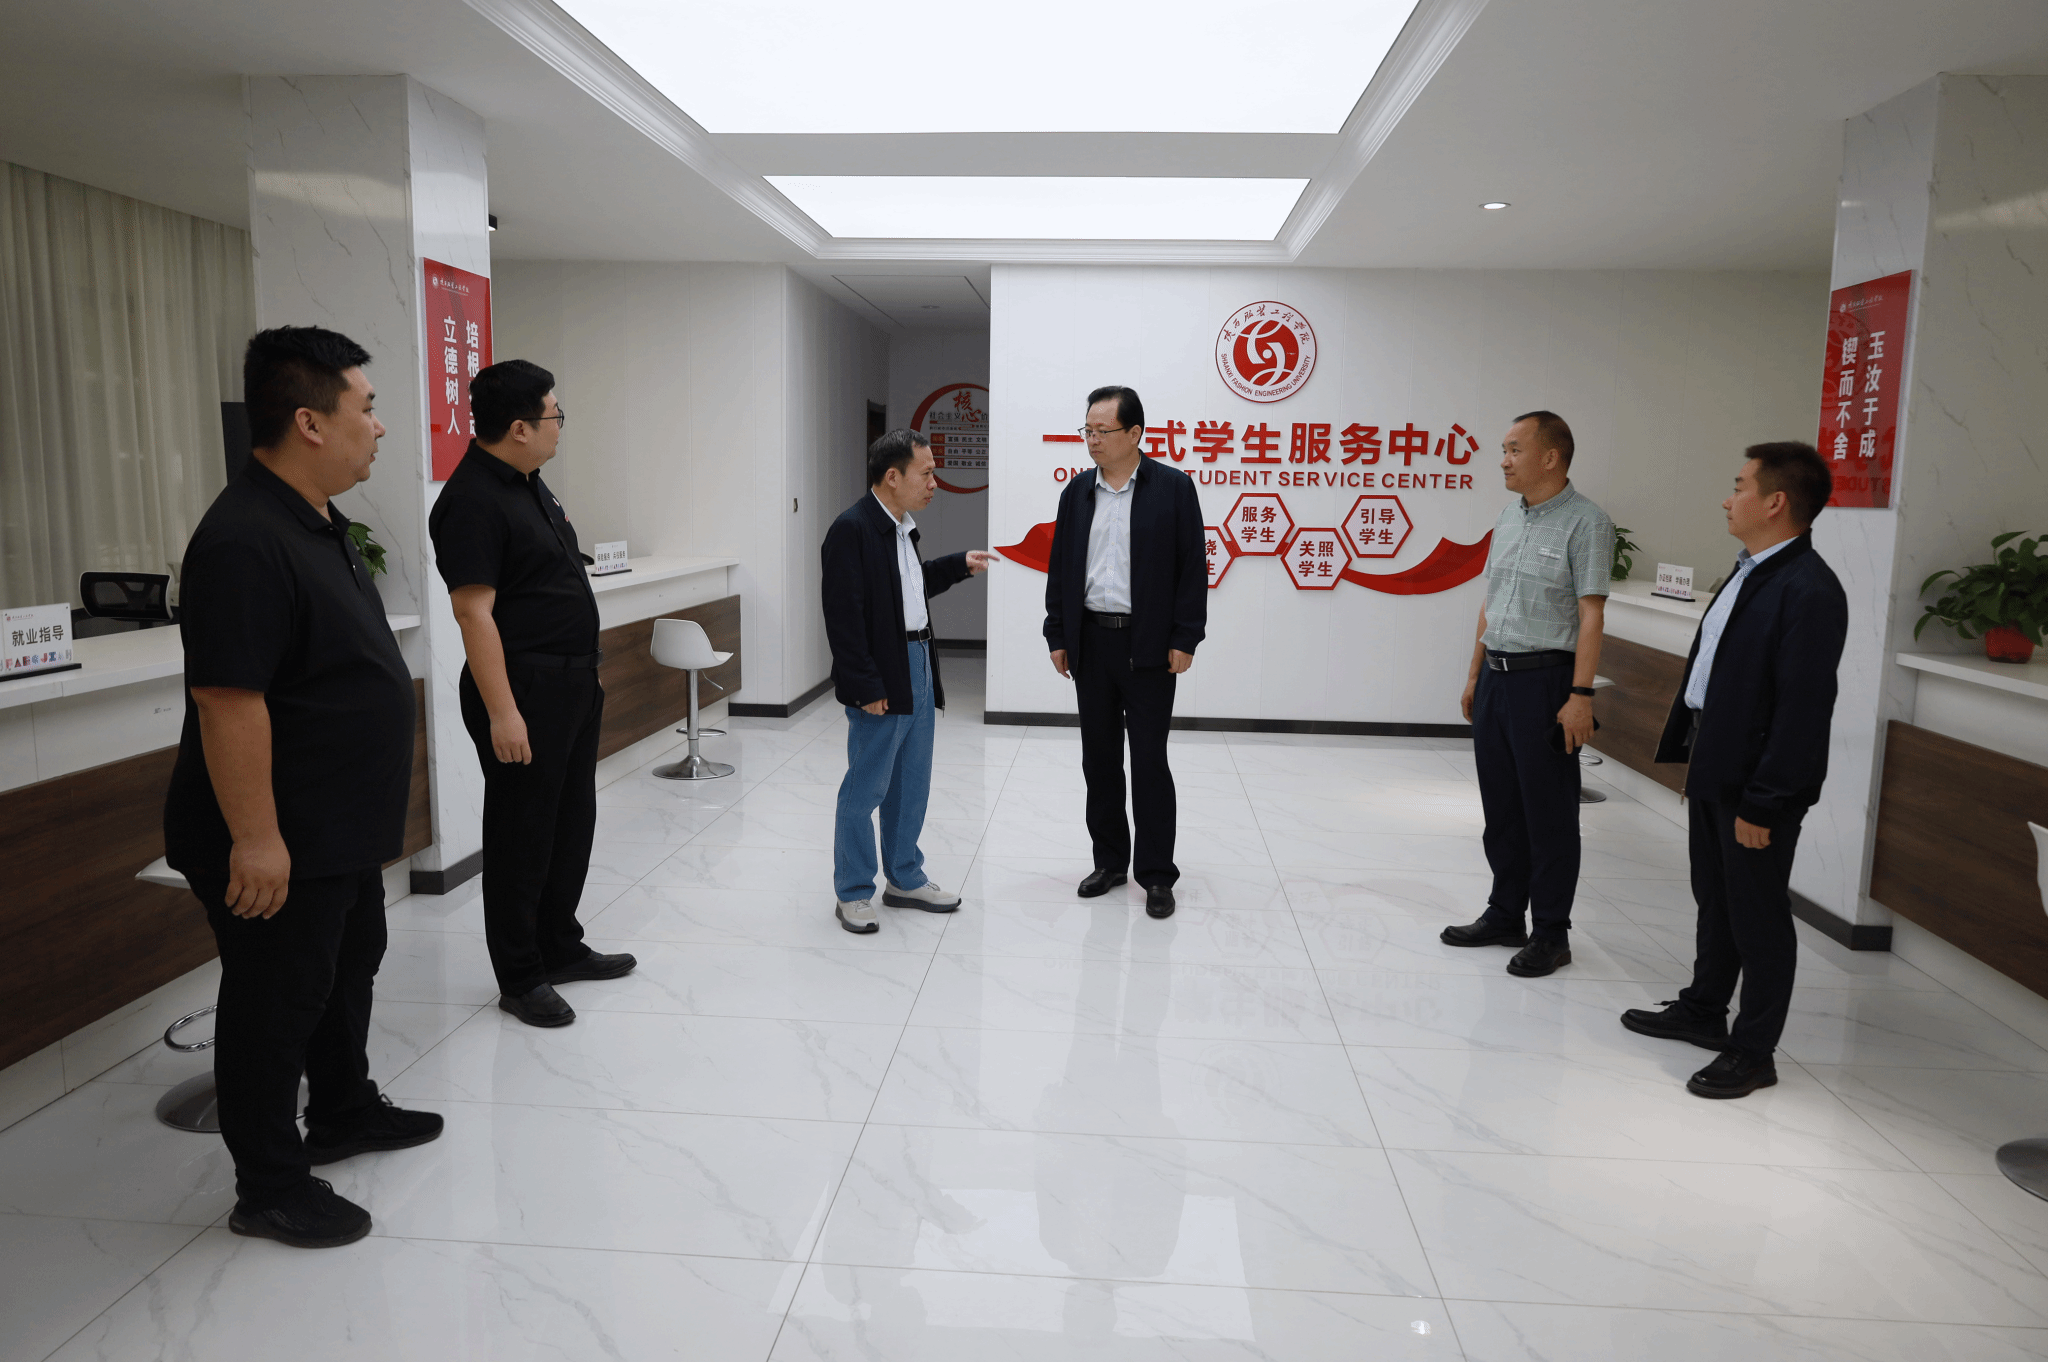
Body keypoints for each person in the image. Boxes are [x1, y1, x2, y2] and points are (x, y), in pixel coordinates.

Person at [163, 325, 442, 1249]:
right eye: (368, 408)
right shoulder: (243, 539)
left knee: (345, 967)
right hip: (277, 833)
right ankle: (270, 1186)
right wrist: (256, 838)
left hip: (334, 828)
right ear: (309, 422)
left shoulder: (316, 521)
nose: (381, 427)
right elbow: (227, 699)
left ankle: (344, 1109)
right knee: (274, 1001)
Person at [1622, 443, 1847, 1098]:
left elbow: (1803, 710)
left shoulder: (1809, 590)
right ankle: (1703, 1009)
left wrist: (1766, 801)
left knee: (1758, 916)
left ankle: (1754, 1052)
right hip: (1717, 761)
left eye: (1740, 486)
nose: (1728, 498)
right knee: (1716, 896)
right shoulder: (1752, 571)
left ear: (1775, 502)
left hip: (1757, 783)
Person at [429, 359, 635, 1028]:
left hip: (570, 683)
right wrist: (503, 712)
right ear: (519, 427)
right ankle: (520, 977)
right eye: (554, 415)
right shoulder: (470, 500)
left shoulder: (530, 485)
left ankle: (559, 947)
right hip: (523, 690)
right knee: (521, 835)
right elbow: (473, 614)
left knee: (570, 824)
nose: (559, 427)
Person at [1441, 410, 1613, 976]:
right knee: (1502, 808)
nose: (1504, 461)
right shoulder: (1507, 518)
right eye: (1504, 449)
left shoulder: (1587, 522)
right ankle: (1504, 913)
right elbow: (1490, 602)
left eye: (1515, 449)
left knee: (1549, 812)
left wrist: (1581, 695)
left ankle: (1552, 933)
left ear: (1550, 457)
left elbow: (1591, 615)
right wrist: (1474, 674)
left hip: (1546, 682)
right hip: (1497, 677)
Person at [1043, 386, 1207, 920]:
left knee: (1149, 761)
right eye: (1087, 430)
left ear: (1135, 433)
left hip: (1151, 645)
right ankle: (1110, 861)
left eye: (1102, 431)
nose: (1092, 440)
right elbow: (1061, 567)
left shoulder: (1173, 488)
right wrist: (1058, 633)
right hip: (1092, 642)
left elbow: (1192, 568)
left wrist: (1185, 637)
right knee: (1099, 759)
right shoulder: (1076, 493)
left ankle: (1156, 874)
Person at [822, 429, 992, 933]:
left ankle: (904, 878)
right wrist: (865, 685)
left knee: (911, 782)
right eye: (927, 473)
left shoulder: (901, 528)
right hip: (882, 671)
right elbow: (844, 618)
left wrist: (958, 567)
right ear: (892, 476)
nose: (935, 483)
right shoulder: (851, 529)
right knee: (867, 786)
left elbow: (908, 590)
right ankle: (853, 890)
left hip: (917, 660)